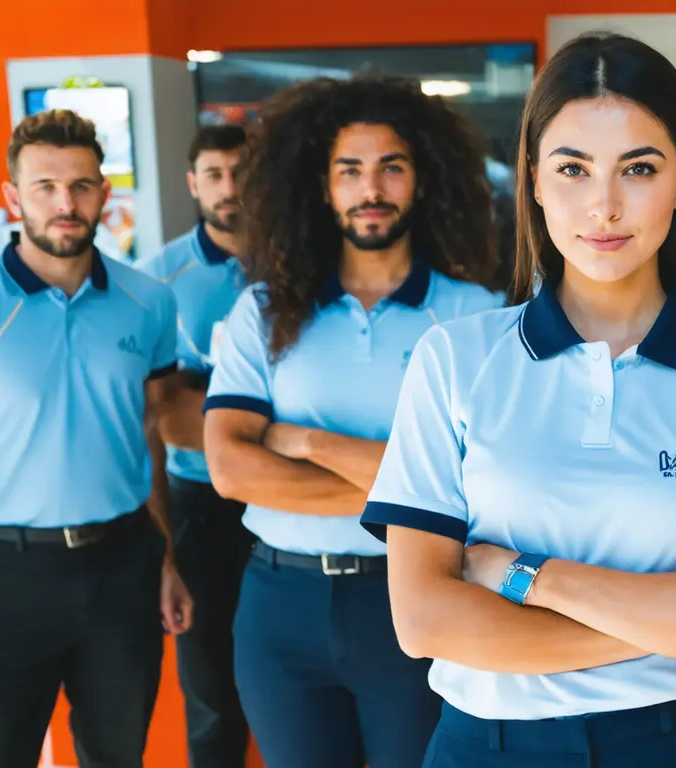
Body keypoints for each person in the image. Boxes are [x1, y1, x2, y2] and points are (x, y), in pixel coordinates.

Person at [360, 32, 676, 768]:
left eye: (638, 169)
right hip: (490, 747)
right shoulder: (453, 358)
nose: (604, 206)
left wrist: (523, 575)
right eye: (572, 169)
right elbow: (424, 622)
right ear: (534, 180)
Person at [201, 74, 502, 768]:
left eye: (392, 167)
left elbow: (475, 486)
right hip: (280, 604)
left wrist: (304, 441)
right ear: (323, 186)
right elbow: (231, 469)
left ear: (422, 180)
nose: (372, 188)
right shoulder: (264, 311)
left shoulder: (474, 316)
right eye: (350, 170)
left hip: (413, 594)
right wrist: (411, 490)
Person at [0, 109, 192, 767]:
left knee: (118, 758)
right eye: (46, 187)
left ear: (104, 193)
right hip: (3, 576)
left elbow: (149, 433)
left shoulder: (149, 301)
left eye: (81, 186)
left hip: (123, 566)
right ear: (12, 197)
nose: (66, 203)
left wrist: (164, 559)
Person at [137, 124, 251, 768]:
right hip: (200, 505)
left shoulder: (303, 261)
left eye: (241, 171)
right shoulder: (158, 279)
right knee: (211, 698)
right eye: (214, 175)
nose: (229, 188)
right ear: (193, 184)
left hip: (292, 508)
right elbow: (164, 420)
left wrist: (197, 400)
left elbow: (186, 411)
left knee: (299, 688)